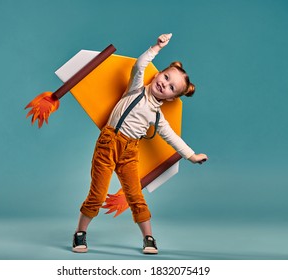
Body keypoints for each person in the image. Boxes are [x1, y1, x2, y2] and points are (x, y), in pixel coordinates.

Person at [72, 33, 208, 254]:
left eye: (172, 88)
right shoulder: (136, 89)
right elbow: (140, 65)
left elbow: (173, 137)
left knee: (135, 196)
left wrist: (191, 156)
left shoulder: (157, 116)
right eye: (165, 77)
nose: (165, 85)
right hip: (108, 144)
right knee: (97, 194)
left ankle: (149, 238)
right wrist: (157, 47)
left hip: (129, 153)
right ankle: (80, 233)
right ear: (159, 74)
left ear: (172, 98)